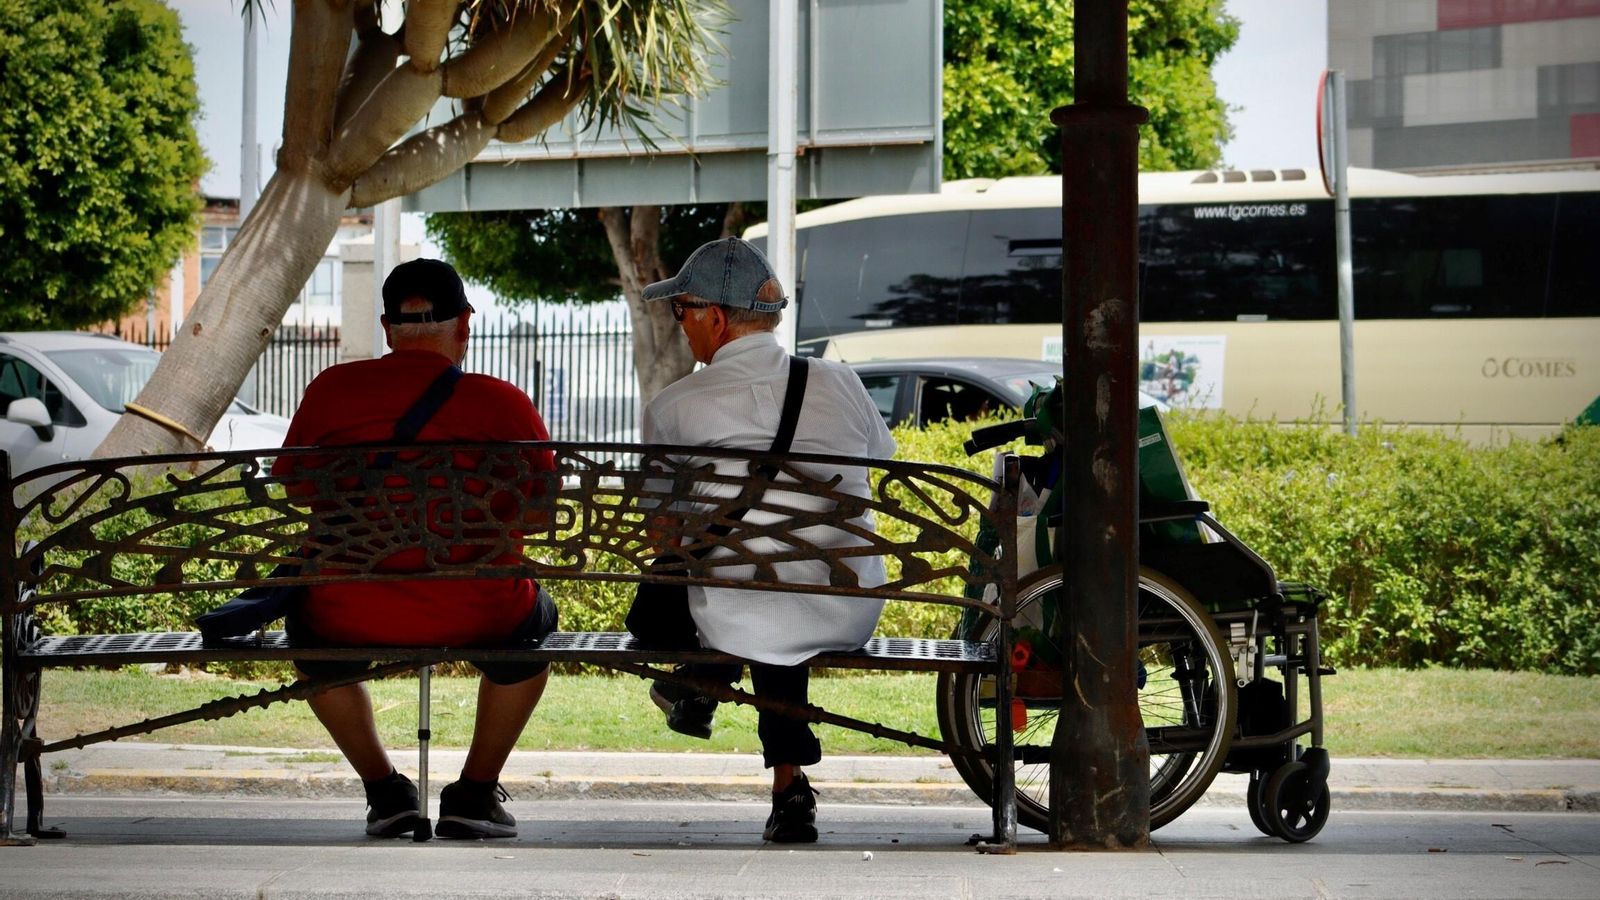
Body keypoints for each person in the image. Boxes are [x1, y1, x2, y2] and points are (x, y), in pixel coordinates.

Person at [271, 258, 558, 841]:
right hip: (482, 609)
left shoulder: (332, 391)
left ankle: (386, 793)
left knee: (310, 637)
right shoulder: (503, 402)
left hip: (346, 610)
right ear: (465, 325)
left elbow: (297, 488)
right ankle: (474, 796)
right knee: (533, 628)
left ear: (386, 327)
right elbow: (542, 512)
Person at [629, 237, 896, 843]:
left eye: (681, 312)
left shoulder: (674, 406)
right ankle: (785, 782)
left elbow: (658, 529)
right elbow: (882, 460)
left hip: (734, 614)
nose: (679, 327)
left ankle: (702, 682)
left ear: (714, 319)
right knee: (769, 591)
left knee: (722, 593)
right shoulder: (840, 382)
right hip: (847, 605)